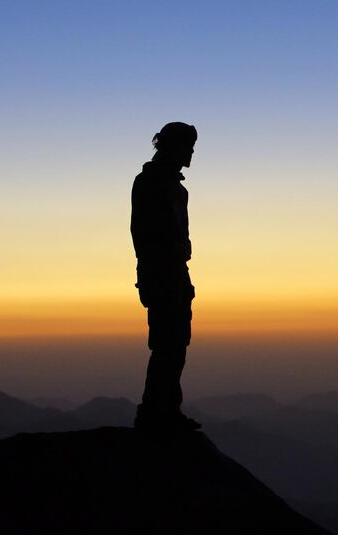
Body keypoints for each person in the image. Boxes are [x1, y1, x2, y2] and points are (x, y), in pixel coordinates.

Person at [131, 122, 200, 431]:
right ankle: (155, 413)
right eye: (188, 146)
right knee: (166, 343)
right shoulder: (149, 183)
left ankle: (167, 410)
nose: (192, 152)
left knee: (176, 343)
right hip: (162, 274)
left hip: (174, 272)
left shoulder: (175, 188)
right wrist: (156, 272)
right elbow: (143, 234)